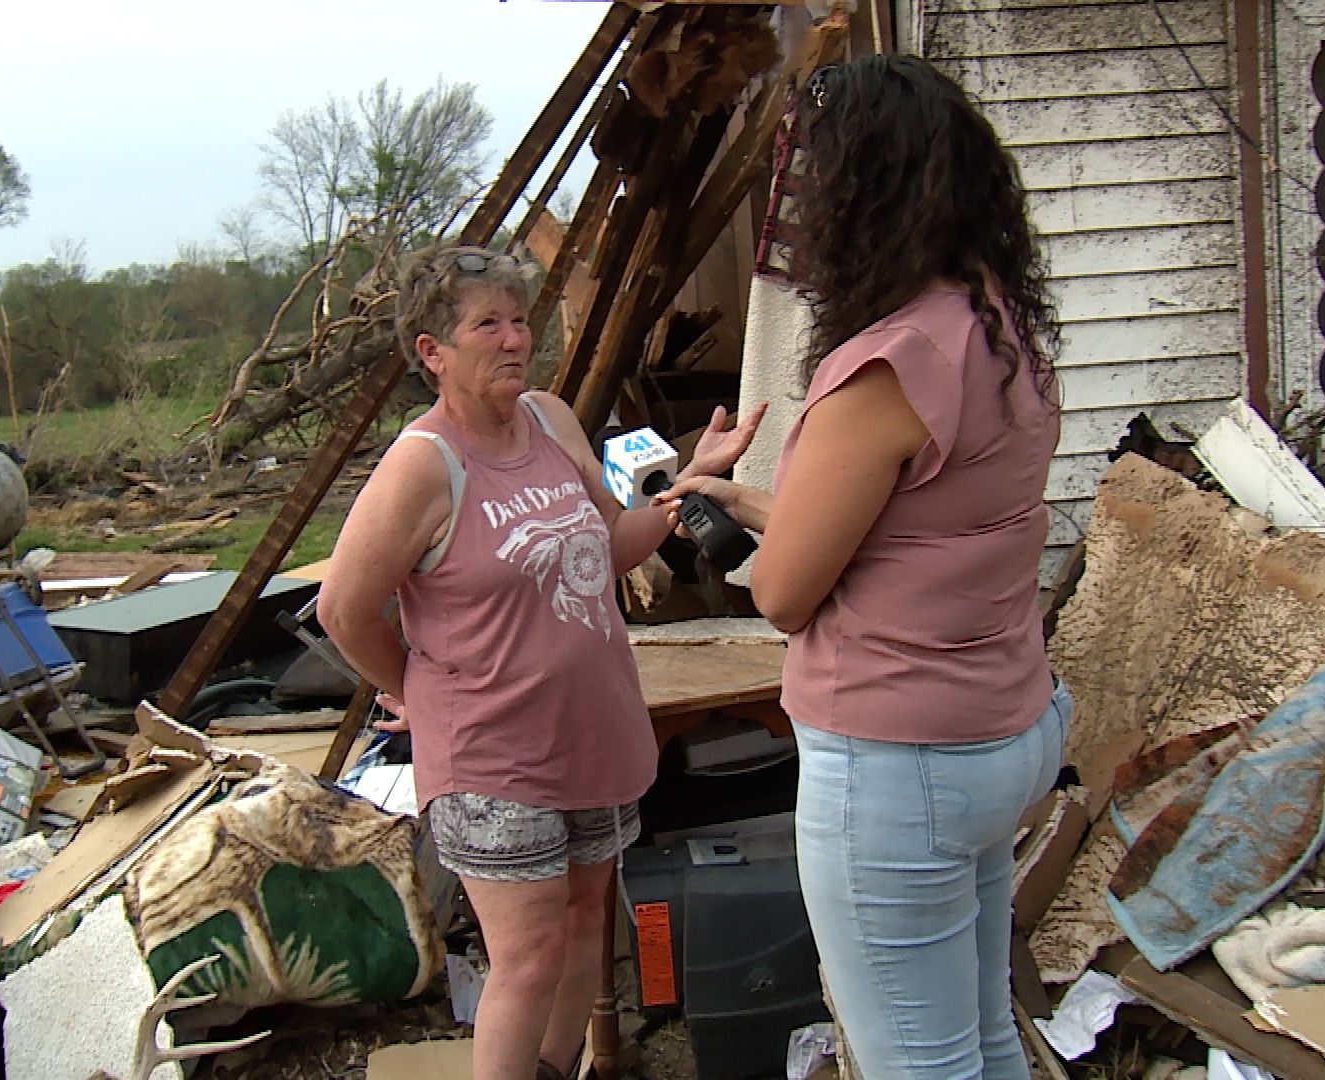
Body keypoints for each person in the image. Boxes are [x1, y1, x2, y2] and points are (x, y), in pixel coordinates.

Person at [655, 55, 1071, 1079]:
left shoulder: (883, 366)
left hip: (901, 764)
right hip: (999, 731)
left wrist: (760, 530)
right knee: (977, 1036)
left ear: (856, 195)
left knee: (916, 1063)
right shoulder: (1001, 334)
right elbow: (914, 524)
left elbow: (790, 592)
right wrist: (747, 500)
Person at [316, 244, 763, 1080]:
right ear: (433, 351)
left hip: (594, 732)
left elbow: (615, 547)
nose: (515, 338)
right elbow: (344, 609)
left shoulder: (553, 421)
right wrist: (416, 685)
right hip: (492, 755)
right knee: (524, 958)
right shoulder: (425, 463)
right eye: (487, 324)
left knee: (582, 929)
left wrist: (693, 478)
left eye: (519, 319)